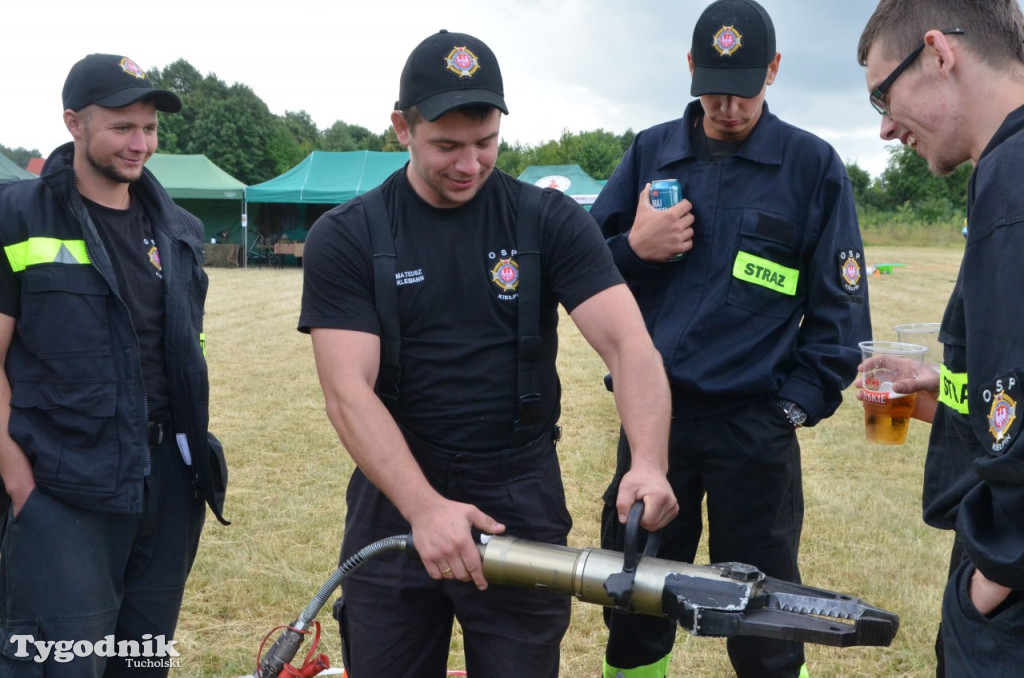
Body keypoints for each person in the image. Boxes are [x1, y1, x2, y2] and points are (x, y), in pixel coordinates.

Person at [298, 29, 678, 678]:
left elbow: (629, 344)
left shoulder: (548, 220)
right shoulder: (348, 235)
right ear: (402, 128)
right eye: (447, 145)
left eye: (486, 143)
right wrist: (423, 508)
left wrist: (647, 461)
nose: (469, 164)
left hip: (518, 492)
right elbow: (347, 392)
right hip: (395, 491)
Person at [590, 1, 872, 676]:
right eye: (713, 86)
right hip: (655, 425)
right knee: (633, 604)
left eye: (745, 87)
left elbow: (841, 313)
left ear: (773, 70)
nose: (727, 104)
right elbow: (582, 271)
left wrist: (790, 409)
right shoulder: (651, 153)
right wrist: (633, 247)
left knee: (767, 622)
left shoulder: (811, 167)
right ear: (690, 68)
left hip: (755, 430)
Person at [0, 54, 228, 676]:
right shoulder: (17, 216)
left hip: (167, 483)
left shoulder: (178, 229)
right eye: (123, 127)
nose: (141, 144)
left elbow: (184, 350)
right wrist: (23, 487)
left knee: (141, 660)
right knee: (61, 663)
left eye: (150, 128)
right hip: (65, 487)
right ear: (74, 123)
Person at [858, 2, 1024, 675]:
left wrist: (993, 584)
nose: (885, 127)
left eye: (881, 94)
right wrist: (947, 395)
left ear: (936, 53)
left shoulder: (1012, 180)